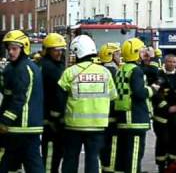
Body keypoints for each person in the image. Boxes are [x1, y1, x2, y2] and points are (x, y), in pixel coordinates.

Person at [58, 35, 118, 173]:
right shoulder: (105, 72)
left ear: (78, 52)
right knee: (93, 159)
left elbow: (59, 97)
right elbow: (113, 97)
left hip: (73, 125)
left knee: (70, 158)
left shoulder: (70, 72)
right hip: (97, 125)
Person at [0, 30, 44, 172]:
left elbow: (18, 99)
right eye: (9, 49)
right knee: (16, 164)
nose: (10, 52)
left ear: (24, 48)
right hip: (25, 128)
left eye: (14, 48)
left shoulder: (21, 69)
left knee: (17, 164)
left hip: (22, 127)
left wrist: (4, 121)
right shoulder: (20, 67)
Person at [114, 38, 157, 173]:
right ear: (135, 52)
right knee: (134, 157)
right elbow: (139, 93)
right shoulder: (136, 71)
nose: (144, 53)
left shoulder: (123, 69)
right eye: (142, 50)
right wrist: (152, 90)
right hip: (135, 120)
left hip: (123, 119)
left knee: (123, 157)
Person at [152, 54, 176, 172]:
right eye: (169, 62)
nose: (171, 64)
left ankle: (173, 166)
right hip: (161, 117)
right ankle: (161, 167)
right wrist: (167, 108)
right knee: (163, 141)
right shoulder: (158, 75)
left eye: (174, 62)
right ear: (164, 62)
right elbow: (155, 94)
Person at [40, 33, 67, 173]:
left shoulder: (56, 65)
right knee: (51, 154)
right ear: (47, 50)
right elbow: (57, 94)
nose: (59, 53)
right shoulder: (49, 68)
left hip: (52, 117)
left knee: (56, 154)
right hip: (50, 119)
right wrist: (55, 118)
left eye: (61, 50)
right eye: (56, 50)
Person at [98, 42, 121, 173]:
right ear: (110, 55)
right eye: (117, 54)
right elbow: (115, 95)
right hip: (112, 116)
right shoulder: (113, 71)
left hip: (101, 116)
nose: (119, 57)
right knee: (111, 147)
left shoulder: (101, 70)